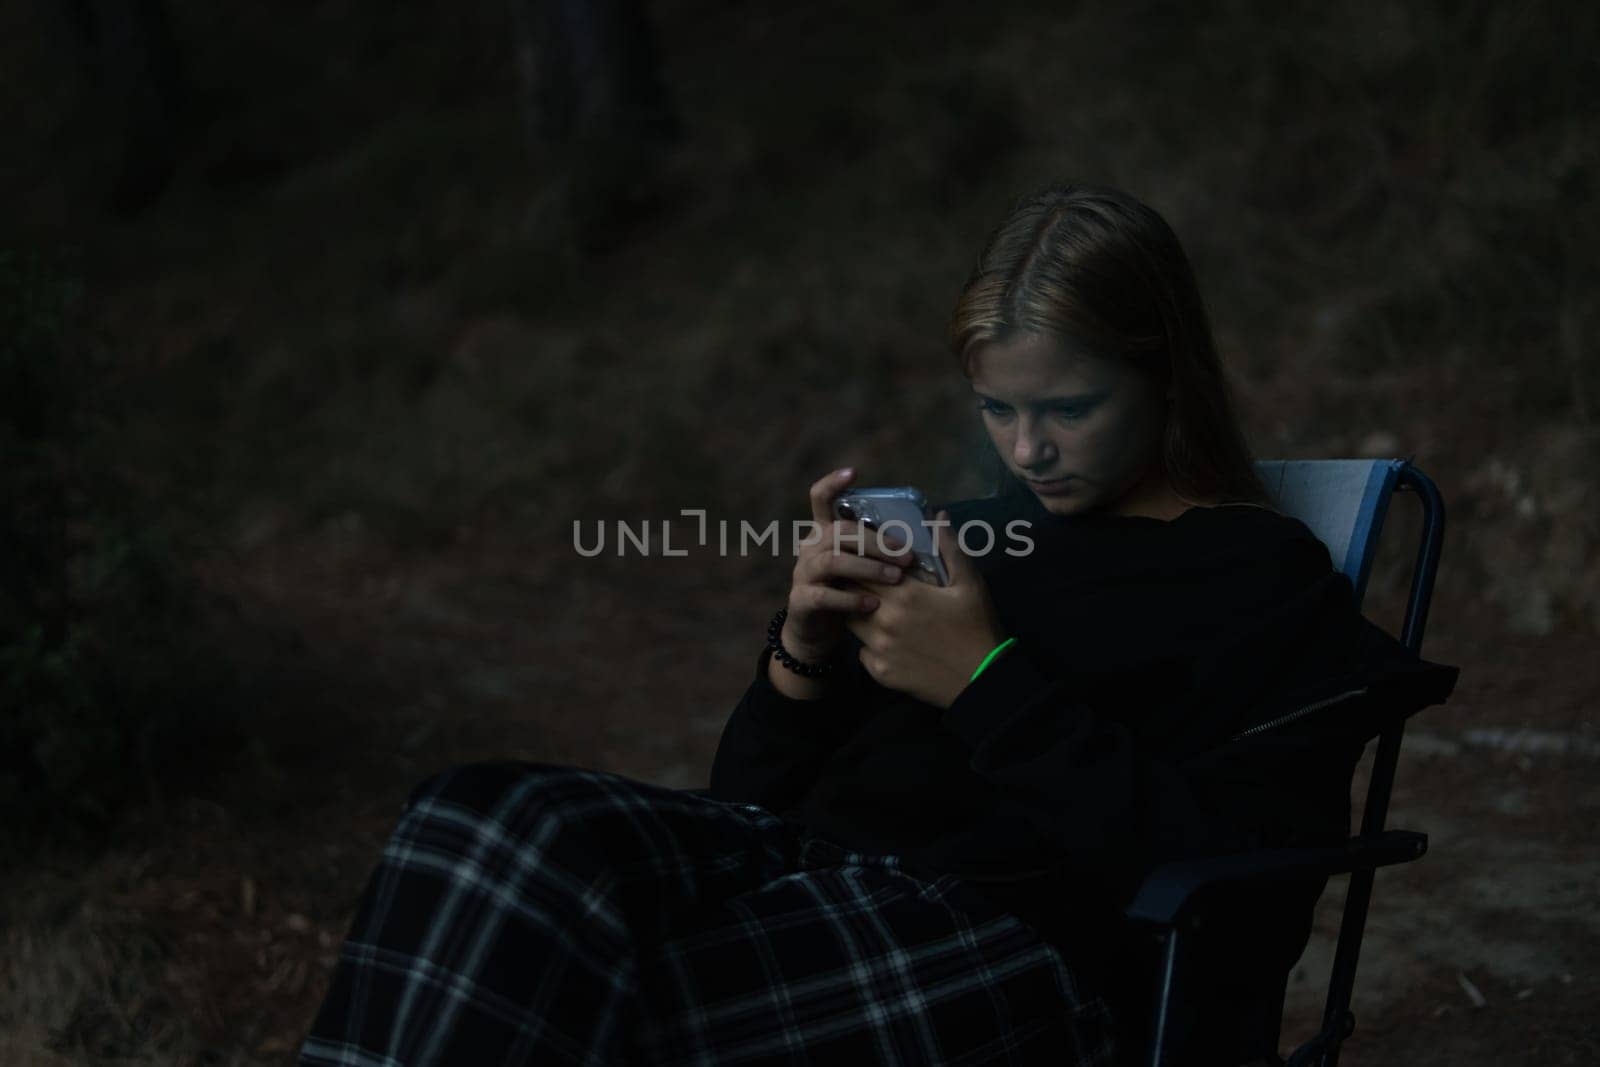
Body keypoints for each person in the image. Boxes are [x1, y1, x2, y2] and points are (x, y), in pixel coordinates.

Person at [298, 183, 1458, 1065]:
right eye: (997, 408)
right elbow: (745, 802)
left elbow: (1235, 872)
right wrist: (799, 652)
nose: (1027, 449)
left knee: (596, 1002)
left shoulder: (1256, 575)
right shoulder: (962, 538)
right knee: (473, 818)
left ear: (1165, 376)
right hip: (806, 878)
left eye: (1068, 406)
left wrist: (985, 680)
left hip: (1010, 942)